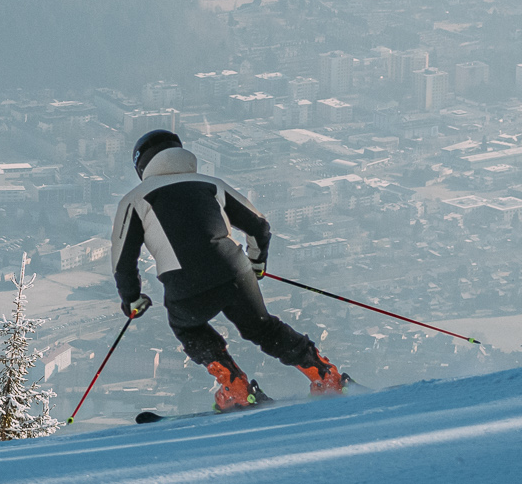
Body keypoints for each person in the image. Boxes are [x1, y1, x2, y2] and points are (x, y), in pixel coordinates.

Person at [110, 127, 346, 411]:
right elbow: (259, 225)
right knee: (263, 328)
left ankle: (235, 388)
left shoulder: (135, 199)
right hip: (234, 271)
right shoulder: (211, 184)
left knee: (187, 327)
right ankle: (324, 374)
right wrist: (256, 262)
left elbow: (123, 260)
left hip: (185, 282)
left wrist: (132, 299)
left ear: (142, 165)